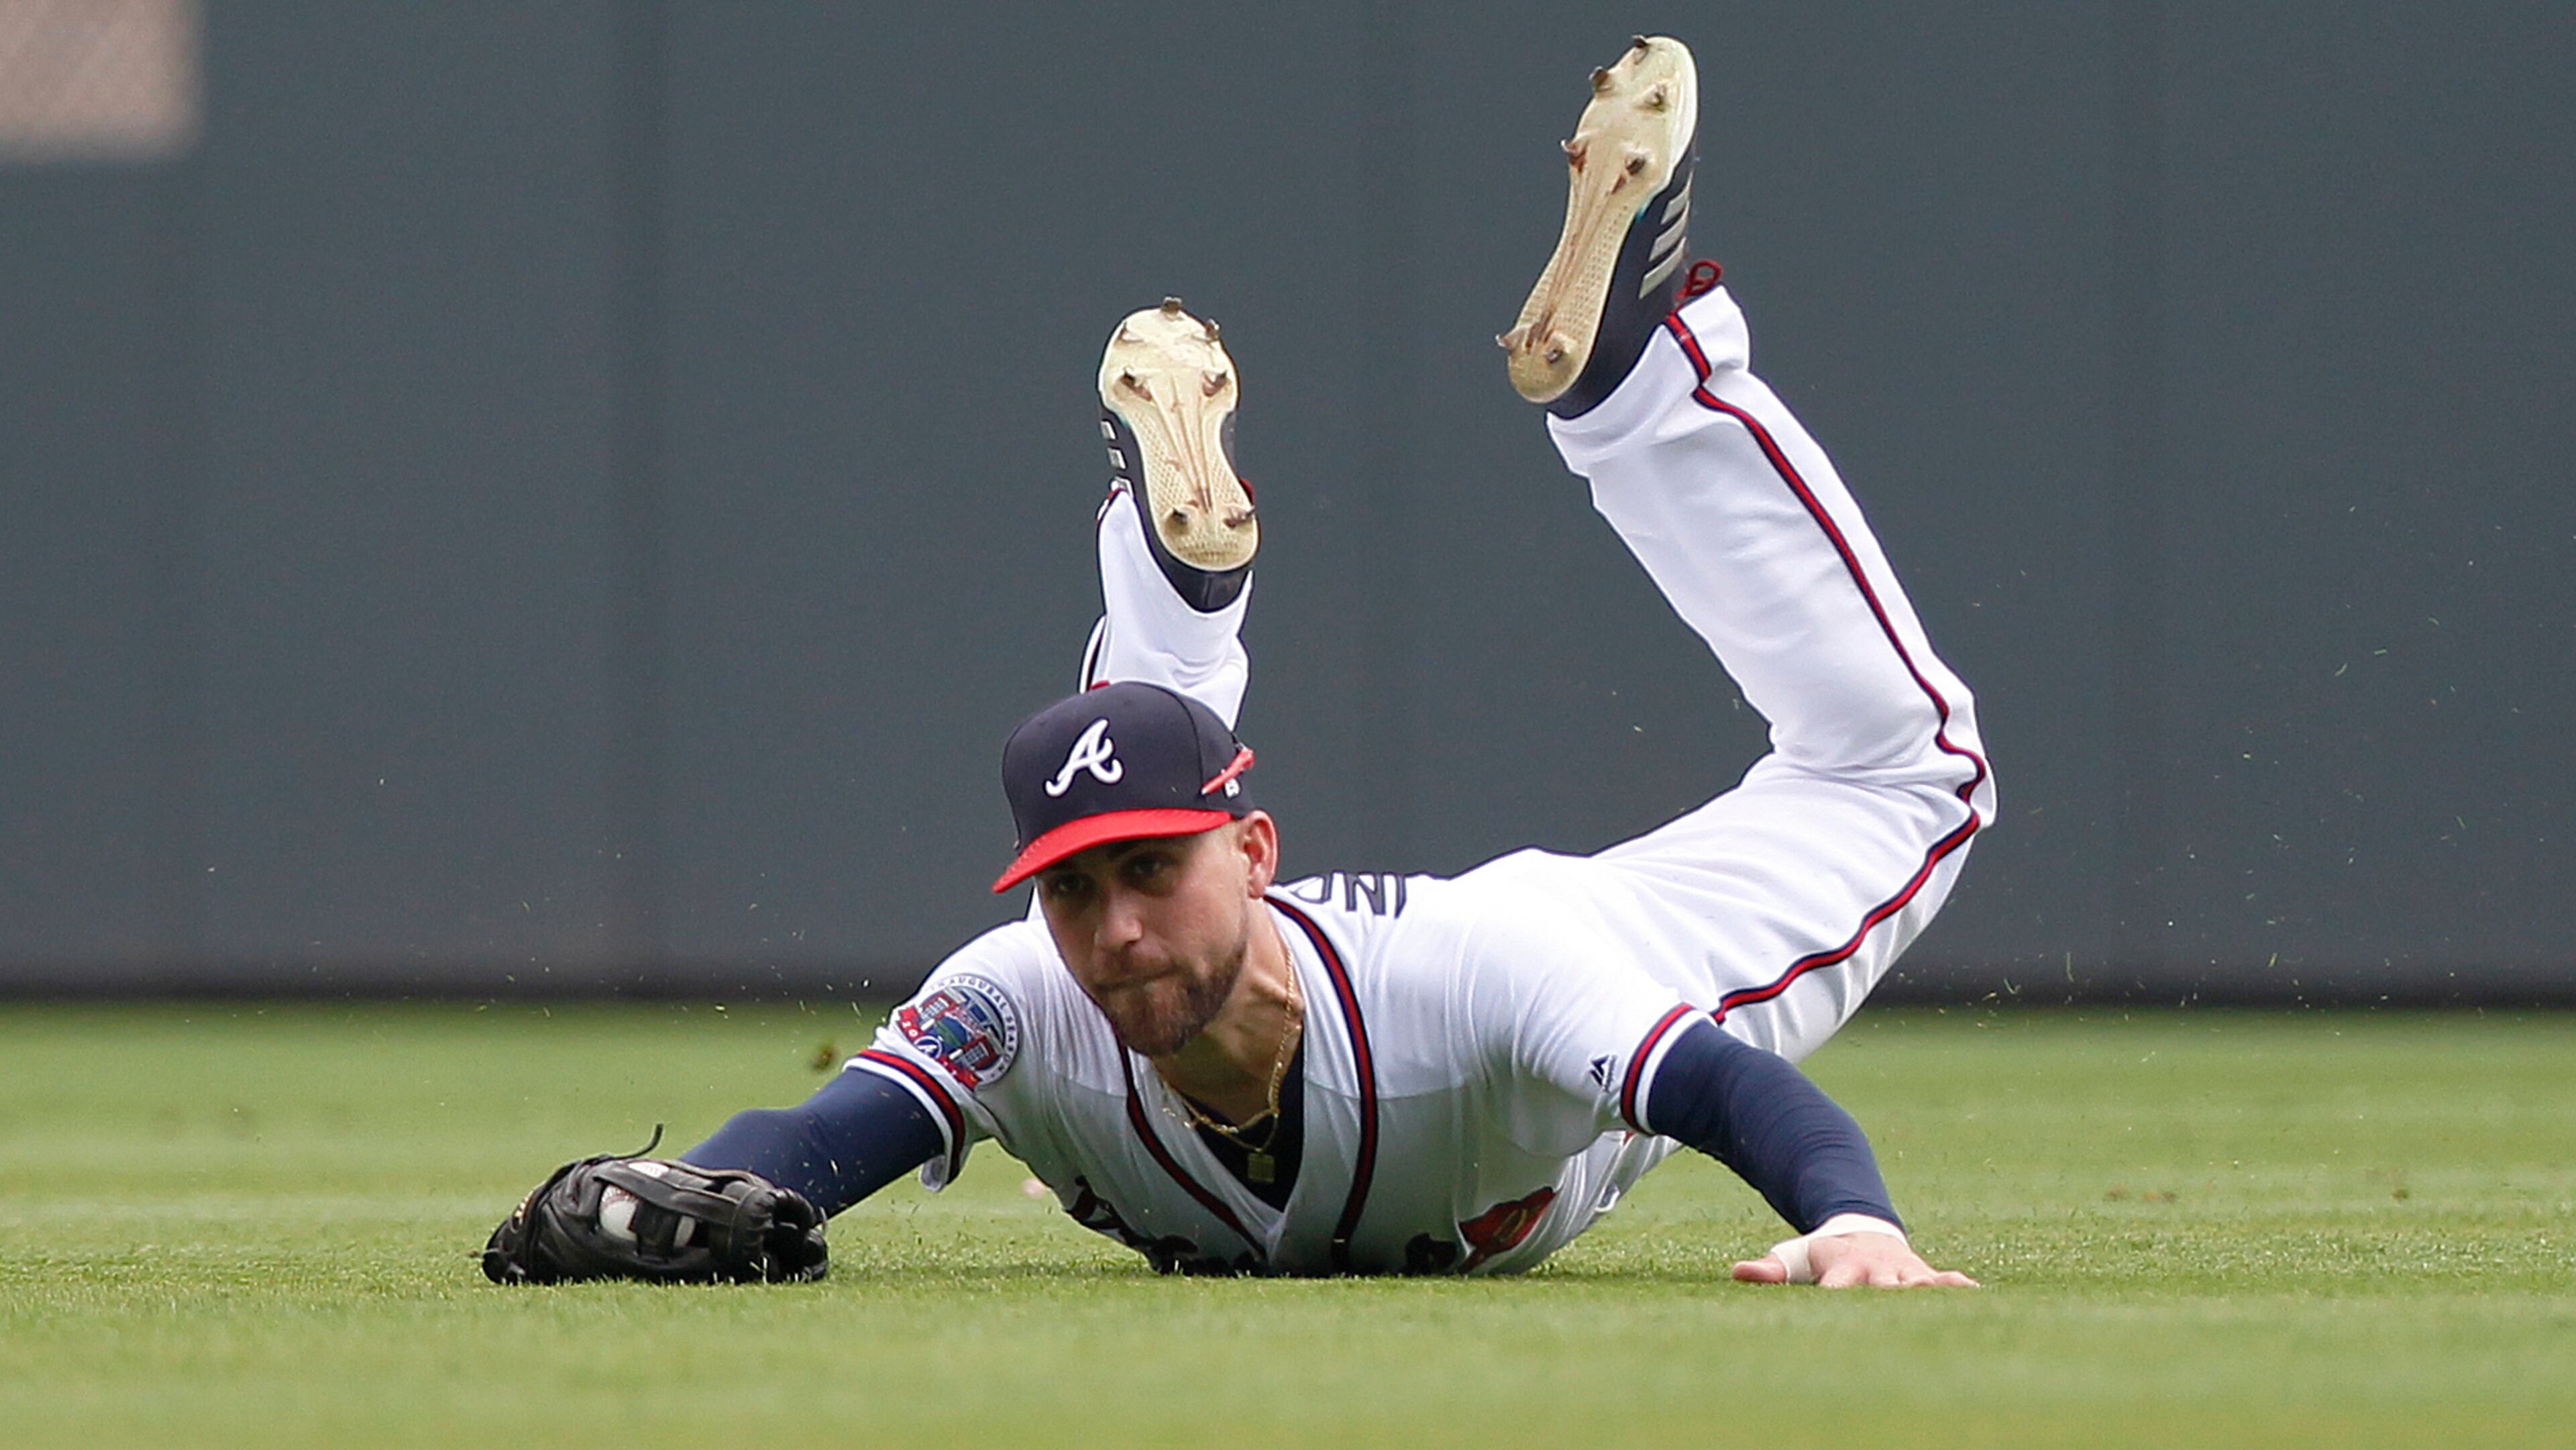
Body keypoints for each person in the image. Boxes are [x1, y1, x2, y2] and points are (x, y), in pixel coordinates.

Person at [484, 35, 1990, 1289]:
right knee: (1146, 759)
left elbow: (1732, 1094)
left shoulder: (1490, 978)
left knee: (1911, 773)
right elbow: (823, 1137)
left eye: (1151, 874)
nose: (1115, 927)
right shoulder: (1025, 998)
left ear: (1260, 850)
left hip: (1587, 951)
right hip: (1430, 1042)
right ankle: (1182, 605)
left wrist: (1854, 1220)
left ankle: (1638, 386)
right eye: (1073, 883)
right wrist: (677, 1193)